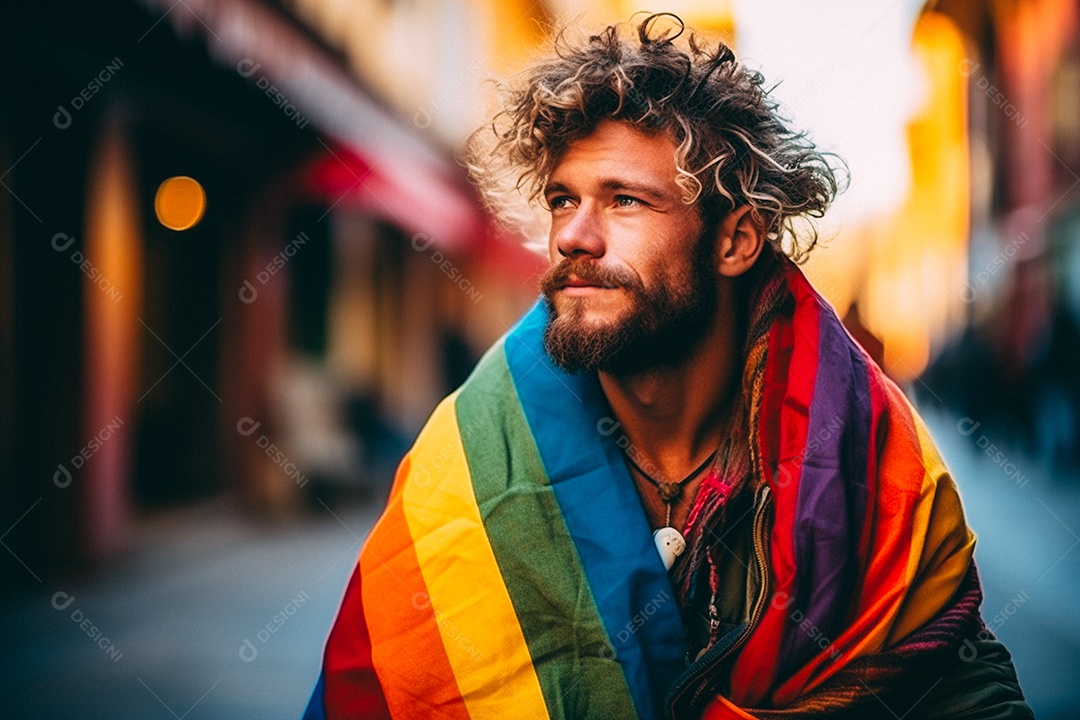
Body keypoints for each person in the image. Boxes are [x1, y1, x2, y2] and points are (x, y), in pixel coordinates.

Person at [303, 14, 1033, 719]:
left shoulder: (866, 457)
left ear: (736, 240)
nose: (574, 237)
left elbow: (953, 684)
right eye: (564, 199)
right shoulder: (466, 458)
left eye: (625, 200)